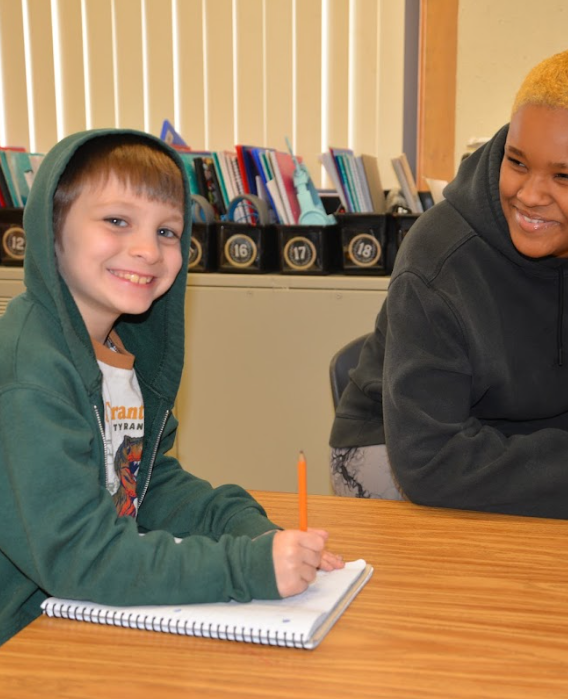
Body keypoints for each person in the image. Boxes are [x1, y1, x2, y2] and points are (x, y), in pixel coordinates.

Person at [0, 129, 343, 646]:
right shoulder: (30, 377)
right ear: (51, 227)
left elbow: (148, 483)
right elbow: (80, 556)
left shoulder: (118, 350)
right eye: (117, 221)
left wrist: (249, 529)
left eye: (167, 232)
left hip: (73, 613)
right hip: (23, 637)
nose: (147, 250)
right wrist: (243, 567)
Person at [330, 47, 568, 520]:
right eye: (517, 162)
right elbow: (429, 458)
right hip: (417, 453)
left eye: (565, 176)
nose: (528, 196)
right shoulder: (441, 254)